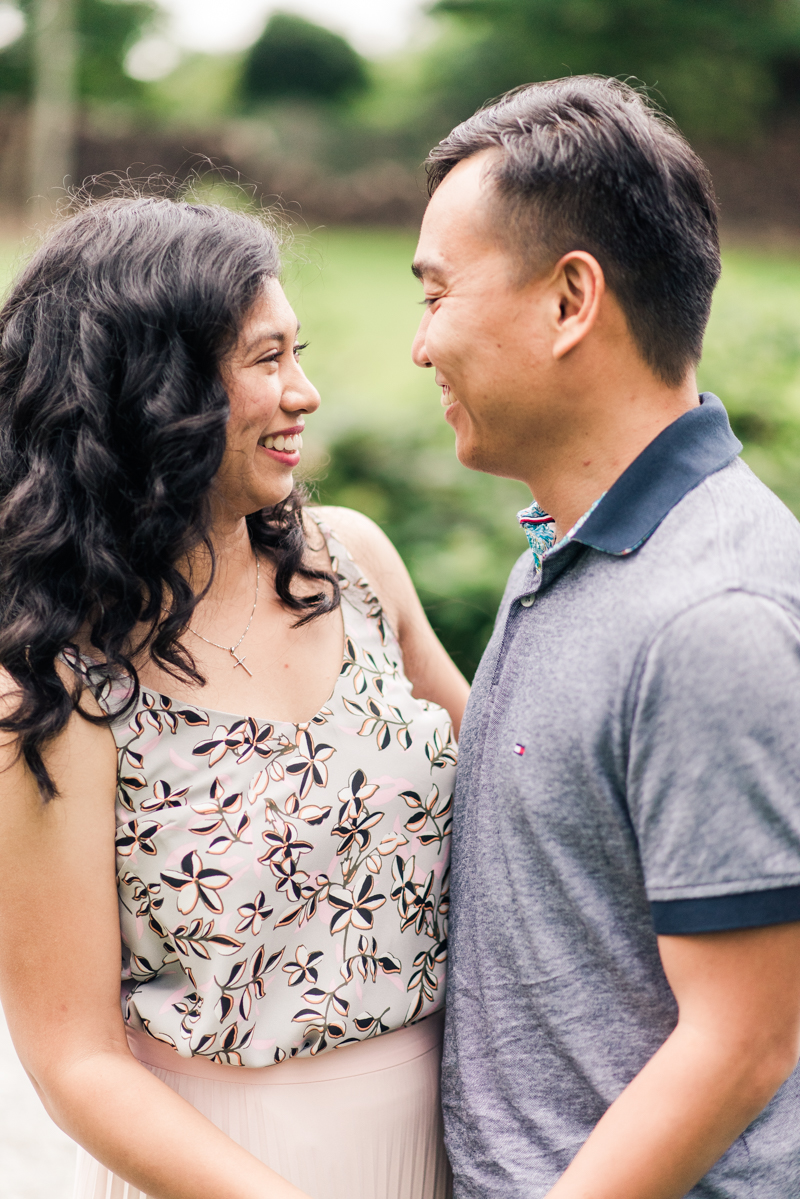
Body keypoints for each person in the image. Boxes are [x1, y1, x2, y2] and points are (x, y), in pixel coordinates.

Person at [0, 194, 468, 1199]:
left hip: (451, 1143)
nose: (304, 393)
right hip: (217, 1171)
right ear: (152, 390)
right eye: (266, 360)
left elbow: (514, 811)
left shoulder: (356, 564)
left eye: (296, 353)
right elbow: (73, 1059)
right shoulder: (52, 682)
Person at [411, 76, 800, 1199]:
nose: (420, 344)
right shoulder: (567, 539)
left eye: (437, 294)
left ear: (568, 299)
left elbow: (740, 1042)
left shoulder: (709, 615)